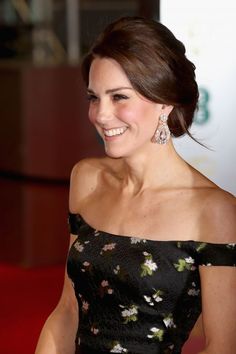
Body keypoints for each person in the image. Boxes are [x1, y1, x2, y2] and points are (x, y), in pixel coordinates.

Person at [35, 16, 236, 354]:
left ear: (164, 101)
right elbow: (67, 311)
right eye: (94, 97)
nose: (100, 114)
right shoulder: (86, 179)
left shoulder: (215, 212)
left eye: (119, 97)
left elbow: (223, 346)